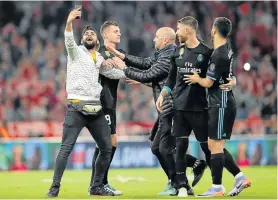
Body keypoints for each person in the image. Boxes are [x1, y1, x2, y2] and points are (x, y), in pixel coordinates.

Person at [106, 27, 206, 196]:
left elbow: (149, 74)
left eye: (156, 36)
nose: (153, 39)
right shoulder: (163, 54)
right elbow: (147, 64)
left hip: (172, 108)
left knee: (165, 148)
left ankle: (179, 184)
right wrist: (123, 56)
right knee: (156, 146)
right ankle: (190, 170)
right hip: (166, 108)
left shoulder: (170, 55)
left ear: (165, 40)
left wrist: (124, 68)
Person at [46, 8, 125, 197]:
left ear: (97, 41)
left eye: (92, 34)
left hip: (96, 110)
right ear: (82, 40)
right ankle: (54, 188)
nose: (89, 35)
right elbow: (68, 39)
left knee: (107, 147)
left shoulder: (98, 58)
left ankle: (96, 186)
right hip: (76, 108)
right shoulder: (75, 52)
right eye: (86, 34)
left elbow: (113, 73)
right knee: (66, 149)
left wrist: (135, 74)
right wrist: (69, 21)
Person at [184, 17, 251, 197]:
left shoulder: (218, 54)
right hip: (222, 100)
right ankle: (239, 177)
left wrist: (197, 79)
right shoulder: (227, 48)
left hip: (220, 102)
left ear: (214, 30)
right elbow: (228, 73)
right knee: (215, 144)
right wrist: (234, 80)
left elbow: (207, 82)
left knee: (215, 145)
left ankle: (217, 187)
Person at [90, 20, 124, 196]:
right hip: (101, 102)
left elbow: (124, 70)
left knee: (105, 144)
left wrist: (122, 68)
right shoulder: (98, 53)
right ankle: (99, 183)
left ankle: (97, 183)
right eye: (115, 31)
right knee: (110, 143)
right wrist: (111, 67)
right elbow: (118, 72)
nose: (119, 33)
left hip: (111, 103)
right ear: (105, 35)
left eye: (119, 31)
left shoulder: (120, 53)